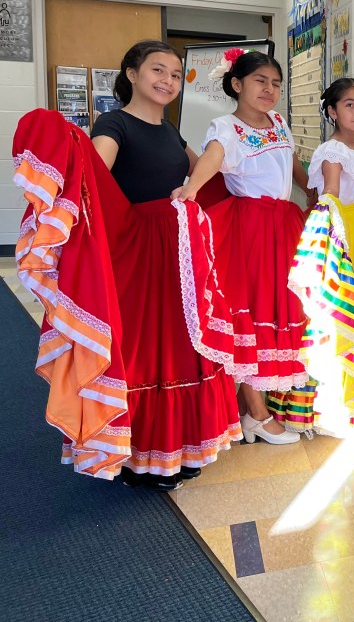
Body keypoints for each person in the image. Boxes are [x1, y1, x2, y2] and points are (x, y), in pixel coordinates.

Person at [88, 40, 241, 490]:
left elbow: (205, 173)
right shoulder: (114, 124)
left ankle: (182, 446)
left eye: (175, 75)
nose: (168, 81)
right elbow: (94, 179)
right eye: (158, 70)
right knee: (145, 346)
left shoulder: (171, 130)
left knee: (182, 343)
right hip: (137, 253)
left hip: (178, 253)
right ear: (132, 73)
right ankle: (139, 454)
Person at [174, 50, 311, 445]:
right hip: (250, 230)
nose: (269, 90)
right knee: (252, 312)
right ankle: (256, 412)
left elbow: (293, 167)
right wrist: (192, 189)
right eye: (260, 81)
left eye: (276, 83)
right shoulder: (226, 127)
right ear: (237, 84)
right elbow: (212, 159)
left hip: (283, 226)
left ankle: (254, 406)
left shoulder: (279, 122)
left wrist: (315, 193)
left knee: (279, 309)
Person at [287, 78, 354, 434]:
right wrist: (332, 234)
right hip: (342, 233)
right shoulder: (332, 151)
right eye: (349, 104)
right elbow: (329, 193)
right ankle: (336, 405)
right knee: (342, 309)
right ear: (332, 111)